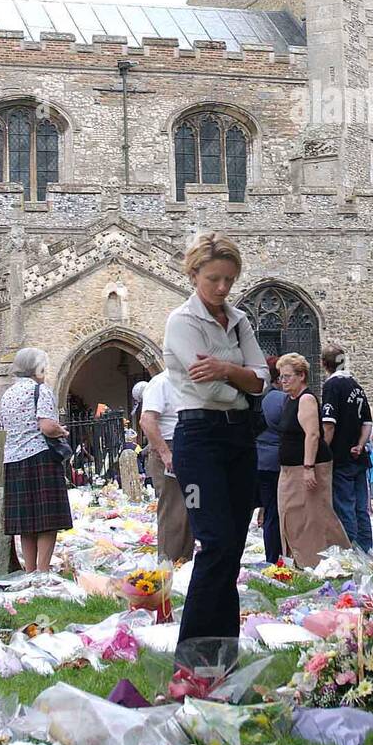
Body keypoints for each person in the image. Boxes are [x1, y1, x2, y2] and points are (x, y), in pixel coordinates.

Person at [163, 232, 269, 646]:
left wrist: (226, 371)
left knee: (233, 546)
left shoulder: (239, 321)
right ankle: (193, 649)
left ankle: (223, 645)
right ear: (193, 275)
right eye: (214, 279)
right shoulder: (182, 323)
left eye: (229, 279)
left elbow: (262, 380)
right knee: (215, 543)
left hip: (240, 439)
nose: (223, 288)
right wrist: (241, 379)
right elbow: (206, 390)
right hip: (199, 435)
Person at [0, 347, 72, 573]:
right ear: (37, 368)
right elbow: (47, 426)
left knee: (26, 522)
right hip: (40, 457)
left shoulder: (7, 394)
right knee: (46, 520)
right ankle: (43, 570)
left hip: (13, 459)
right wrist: (62, 431)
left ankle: (29, 571)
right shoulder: (40, 390)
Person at [276, 352, 350, 567]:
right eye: (281, 377)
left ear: (301, 376)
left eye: (287, 376)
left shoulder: (306, 399)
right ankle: (301, 559)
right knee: (292, 513)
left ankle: (322, 559)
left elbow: (313, 434)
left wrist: (308, 468)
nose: (283, 381)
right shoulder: (289, 400)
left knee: (314, 515)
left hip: (308, 466)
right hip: (291, 467)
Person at [321, 343, 373, 552]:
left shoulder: (332, 386)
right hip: (358, 457)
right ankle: (366, 548)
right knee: (362, 508)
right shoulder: (357, 386)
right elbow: (367, 423)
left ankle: (350, 549)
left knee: (345, 507)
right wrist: (360, 445)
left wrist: (321, 453)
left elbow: (329, 424)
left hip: (341, 458)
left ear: (324, 364)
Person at [139, 369, 194, 564]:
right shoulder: (161, 382)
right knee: (173, 507)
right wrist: (165, 453)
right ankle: (169, 561)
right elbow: (146, 420)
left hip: (190, 448)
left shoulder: (188, 379)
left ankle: (186, 559)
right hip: (170, 447)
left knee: (192, 505)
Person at [256, 366, 286, 563]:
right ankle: (275, 557)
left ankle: (273, 556)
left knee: (270, 511)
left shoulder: (259, 397)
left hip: (259, 459)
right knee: (276, 511)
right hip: (275, 462)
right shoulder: (278, 399)